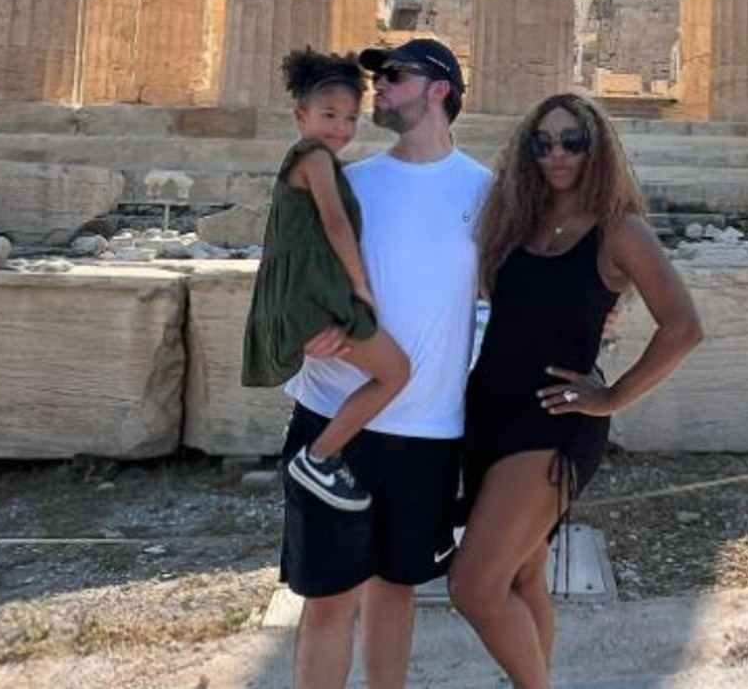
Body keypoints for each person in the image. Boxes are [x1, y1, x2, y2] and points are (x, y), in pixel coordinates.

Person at [448, 92, 704, 689]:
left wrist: (613, 396)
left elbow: (684, 326)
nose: (557, 153)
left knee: (474, 585)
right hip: (488, 413)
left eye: (572, 140)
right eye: (543, 142)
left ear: (598, 147)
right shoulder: (516, 222)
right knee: (522, 576)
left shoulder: (621, 231)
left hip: (556, 419)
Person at [277, 38, 492, 689]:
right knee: (329, 598)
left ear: (439, 89)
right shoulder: (350, 181)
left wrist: (603, 311)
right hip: (332, 414)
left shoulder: (487, 191)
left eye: (393, 76)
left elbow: (517, 287)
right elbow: (291, 268)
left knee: (398, 589)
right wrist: (305, 325)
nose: (376, 88)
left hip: (427, 428)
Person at [243, 49, 410, 513]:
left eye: (351, 117)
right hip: (313, 300)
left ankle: (328, 454)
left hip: (301, 295)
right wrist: (361, 287)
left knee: (388, 371)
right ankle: (317, 457)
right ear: (302, 116)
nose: (341, 127)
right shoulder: (315, 158)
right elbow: (336, 225)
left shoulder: (311, 160)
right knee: (396, 371)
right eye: (329, 115)